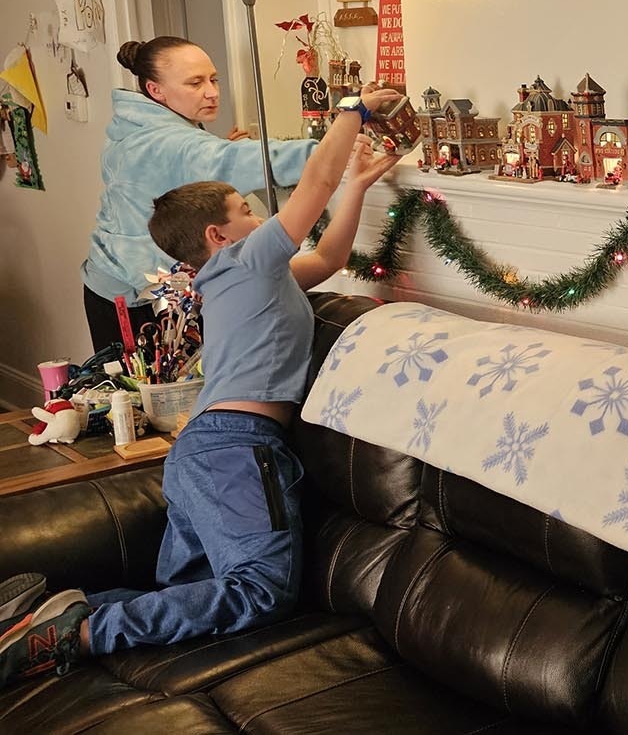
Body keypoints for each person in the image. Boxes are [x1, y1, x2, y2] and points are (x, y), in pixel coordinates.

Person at [0, 83, 401, 687]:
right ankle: (77, 634)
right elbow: (312, 185)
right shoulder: (246, 261)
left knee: (191, 590)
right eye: (245, 211)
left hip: (206, 447)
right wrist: (353, 112)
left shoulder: (238, 274)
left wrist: (360, 186)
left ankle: (57, 610)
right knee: (259, 591)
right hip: (237, 447)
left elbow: (330, 259)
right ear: (219, 235)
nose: (259, 217)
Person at [82, 38, 321, 353]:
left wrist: (213, 152)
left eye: (213, 79)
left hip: (111, 282)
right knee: (150, 395)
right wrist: (340, 142)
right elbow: (248, 161)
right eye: (195, 83)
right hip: (135, 297)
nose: (212, 92)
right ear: (155, 90)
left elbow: (176, 173)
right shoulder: (168, 142)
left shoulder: (135, 126)